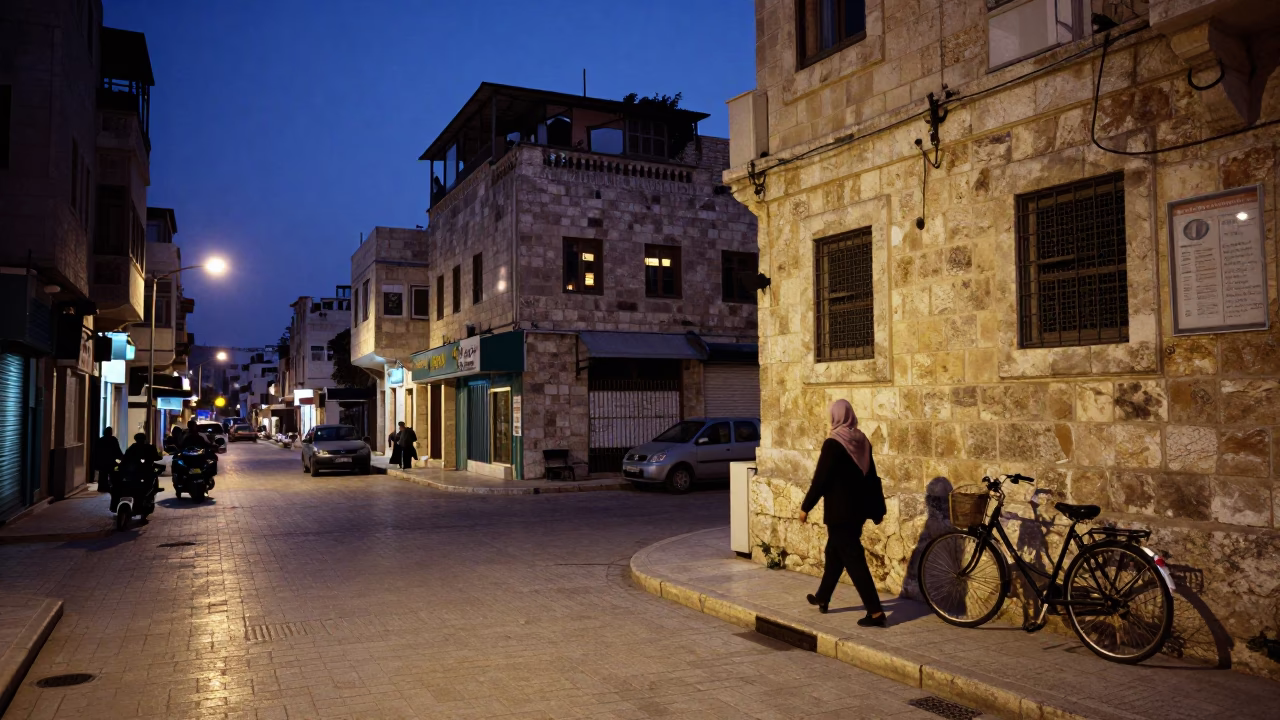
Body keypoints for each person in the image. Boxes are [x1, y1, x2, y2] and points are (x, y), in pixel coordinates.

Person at [799, 399, 888, 627]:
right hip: (858, 512)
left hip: (839, 513)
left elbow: (820, 479)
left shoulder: (833, 443)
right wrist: (876, 509)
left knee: (853, 558)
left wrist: (806, 507)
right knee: (834, 552)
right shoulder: (862, 440)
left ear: (835, 416)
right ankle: (823, 596)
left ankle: (875, 612)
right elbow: (871, 476)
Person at [92, 427, 124, 492]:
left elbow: (96, 451)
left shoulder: (100, 440)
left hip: (102, 461)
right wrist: (121, 457)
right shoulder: (113, 439)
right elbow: (117, 449)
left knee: (103, 474)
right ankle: (113, 486)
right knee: (113, 473)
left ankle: (102, 487)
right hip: (111, 460)